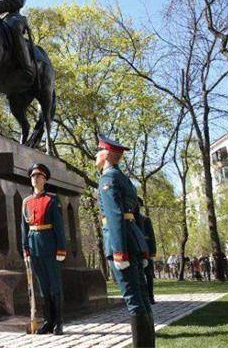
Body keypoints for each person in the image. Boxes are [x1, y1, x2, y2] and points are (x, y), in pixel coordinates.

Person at [96, 135, 154, 347]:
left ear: (107, 155)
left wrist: (119, 251)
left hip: (122, 243)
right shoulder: (124, 179)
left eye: (98, 151)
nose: (96, 155)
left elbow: (114, 215)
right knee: (142, 297)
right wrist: (144, 249)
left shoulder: (108, 179)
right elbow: (135, 217)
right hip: (134, 241)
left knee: (133, 300)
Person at [21, 163, 67, 335]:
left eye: (39, 176)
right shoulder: (26, 202)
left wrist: (61, 250)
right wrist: (25, 249)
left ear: (45, 179)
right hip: (34, 249)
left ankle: (59, 322)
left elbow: (59, 227)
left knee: (55, 286)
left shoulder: (52, 199)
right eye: (33, 176)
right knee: (43, 288)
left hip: (50, 247)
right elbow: (24, 228)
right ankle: (48, 321)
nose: (35, 178)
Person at [135, 198, 157, 304]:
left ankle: (150, 296)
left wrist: (152, 252)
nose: (136, 205)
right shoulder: (129, 219)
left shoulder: (145, 219)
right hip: (134, 251)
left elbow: (151, 237)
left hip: (146, 251)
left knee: (148, 275)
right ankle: (141, 297)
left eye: (138, 204)